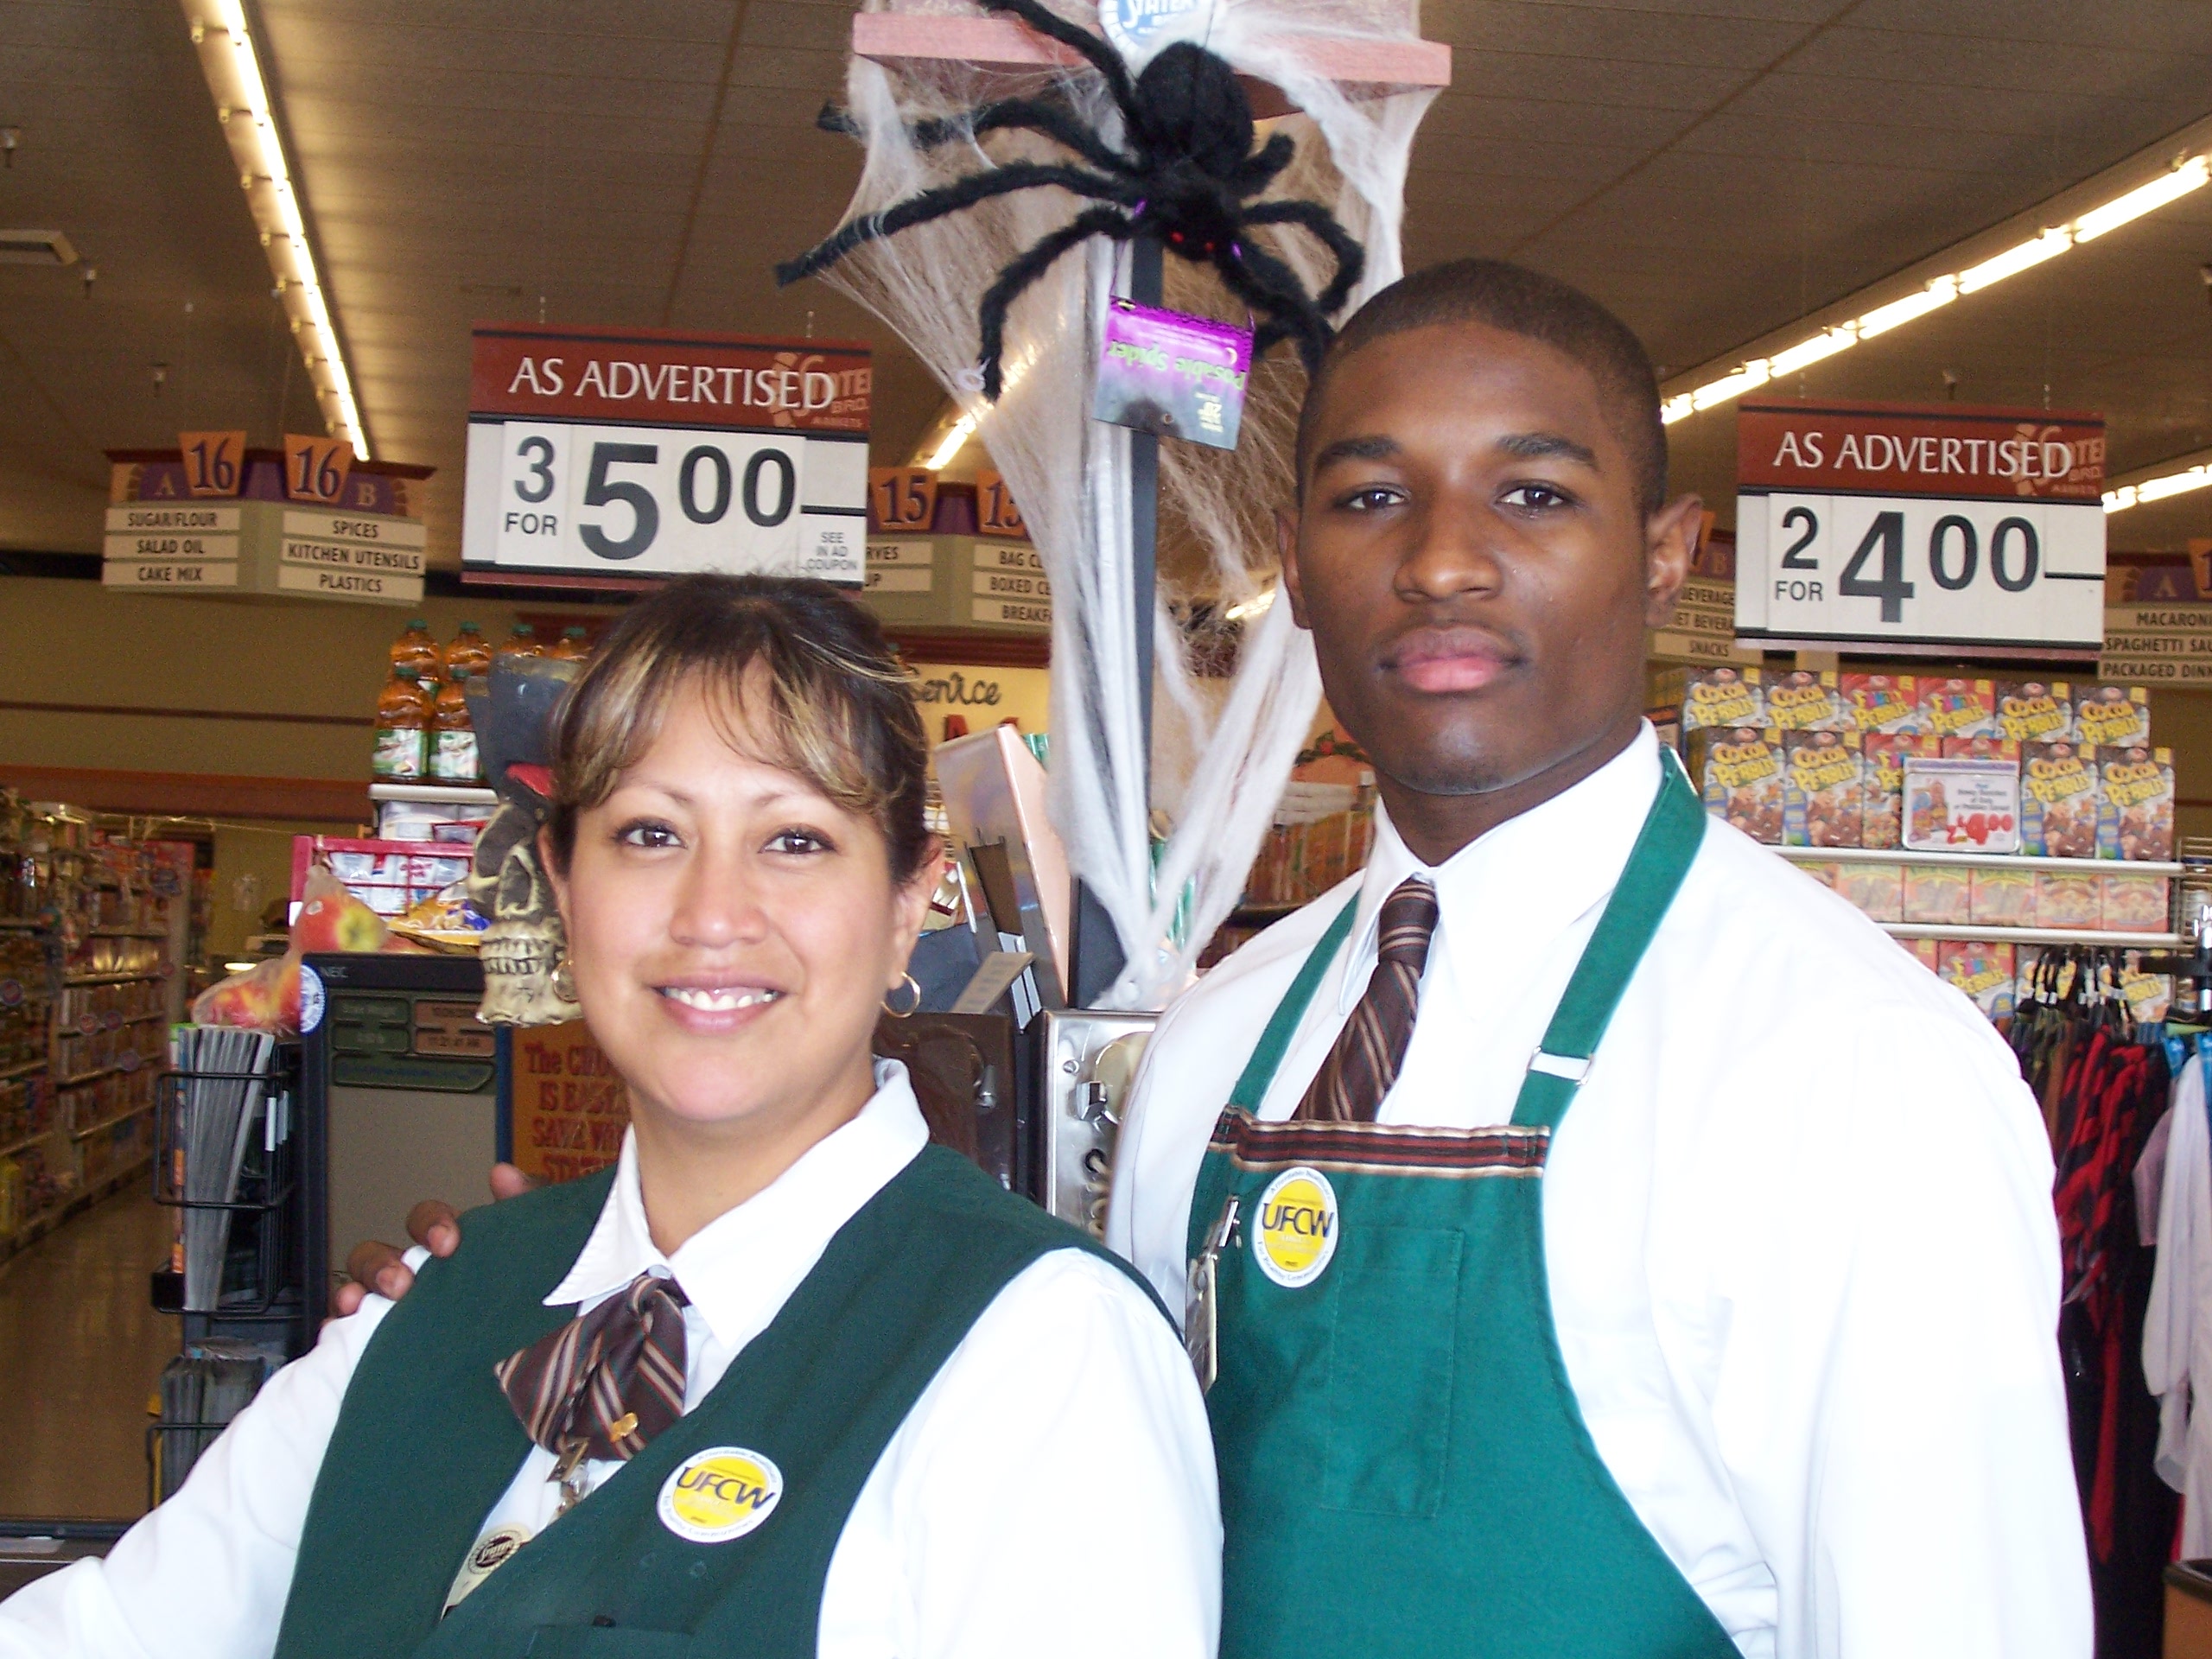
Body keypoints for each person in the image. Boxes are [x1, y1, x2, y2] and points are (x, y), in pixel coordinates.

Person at [1109, 259, 2089, 1657]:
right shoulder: (1213, 1048)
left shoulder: (1854, 1073)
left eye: (1535, 494)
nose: (1441, 560)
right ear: (1295, 565)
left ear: (1667, 552)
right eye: (1372, 497)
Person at [0, 574, 1219, 1659]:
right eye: (650, 834)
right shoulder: (427, 1314)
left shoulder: (1040, 1351)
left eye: (795, 839)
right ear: (565, 886)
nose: (712, 912)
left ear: (908, 905)